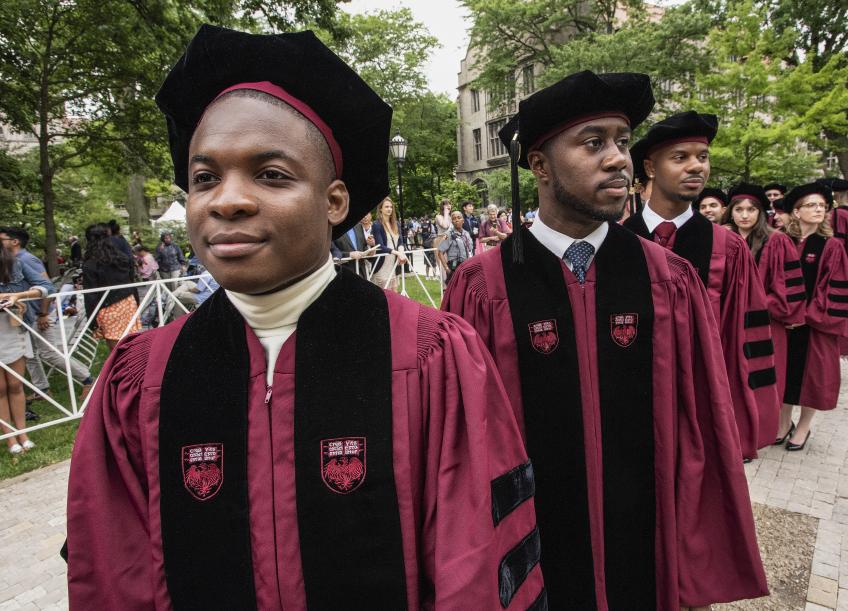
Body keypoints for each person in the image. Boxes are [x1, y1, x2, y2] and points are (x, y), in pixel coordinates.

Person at [66, 25, 542, 611]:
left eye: (271, 174)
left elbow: (477, 569)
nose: (227, 200)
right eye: (204, 177)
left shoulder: (429, 356)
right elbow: (114, 574)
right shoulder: (140, 379)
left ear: (334, 201)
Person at [444, 70, 766, 610]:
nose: (617, 158)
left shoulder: (668, 280)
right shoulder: (483, 287)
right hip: (532, 561)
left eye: (620, 141)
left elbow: (700, 431)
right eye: (593, 143)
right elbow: (463, 452)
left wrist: (694, 559)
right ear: (540, 165)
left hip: (647, 546)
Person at [623, 111, 779, 460]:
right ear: (650, 168)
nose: (696, 167)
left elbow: (745, 337)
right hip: (630, 406)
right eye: (681, 157)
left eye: (703, 157)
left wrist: (743, 417)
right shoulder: (617, 242)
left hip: (702, 409)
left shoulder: (728, 248)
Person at [721, 184, 806, 437]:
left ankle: (757, 434)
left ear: (760, 212)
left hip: (764, 326)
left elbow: (786, 291)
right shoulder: (722, 240)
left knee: (761, 380)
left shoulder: (777, 241)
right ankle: (736, 434)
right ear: (731, 212)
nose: (744, 215)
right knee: (732, 378)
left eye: (751, 209)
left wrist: (751, 303)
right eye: (738, 209)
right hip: (730, 324)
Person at [775, 183, 848, 451]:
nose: (819, 209)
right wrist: (784, 312)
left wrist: (806, 316)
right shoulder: (782, 241)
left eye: (822, 205)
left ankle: (804, 427)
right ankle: (783, 423)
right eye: (812, 205)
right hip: (785, 323)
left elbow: (835, 288)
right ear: (796, 212)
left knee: (813, 380)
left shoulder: (831, 246)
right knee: (785, 374)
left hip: (815, 326)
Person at [0, 238, 54, 453]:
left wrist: (18, 295)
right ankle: (10, 438)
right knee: (0, 389)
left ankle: (23, 434)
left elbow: (46, 287)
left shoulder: (15, 263)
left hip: (13, 329)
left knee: (15, 385)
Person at [816, 177, 848, 359]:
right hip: (847, 270)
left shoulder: (838, 216)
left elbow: (837, 248)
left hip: (838, 272)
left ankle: (836, 349)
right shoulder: (847, 215)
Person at [81, 224, 141, 351]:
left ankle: (124, 370)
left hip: (108, 308)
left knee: (117, 352)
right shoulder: (122, 259)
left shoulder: (90, 265)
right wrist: (137, 302)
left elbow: (90, 295)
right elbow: (131, 280)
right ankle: (137, 369)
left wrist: (92, 322)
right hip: (128, 302)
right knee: (132, 344)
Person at [370, 197, 408, 290]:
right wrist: (398, 253)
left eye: (391, 207)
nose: (389, 209)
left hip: (394, 264)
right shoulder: (376, 224)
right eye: (386, 207)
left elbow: (400, 242)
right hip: (382, 265)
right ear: (380, 209)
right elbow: (381, 246)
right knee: (384, 295)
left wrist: (401, 252)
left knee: (394, 293)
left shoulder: (396, 223)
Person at [437, 210, 474, 282]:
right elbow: (440, 252)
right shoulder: (448, 234)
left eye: (459, 218)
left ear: (463, 220)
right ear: (452, 222)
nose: (456, 220)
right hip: (454, 266)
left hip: (466, 265)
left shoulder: (466, 234)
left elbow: (470, 249)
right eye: (454, 218)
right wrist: (447, 269)